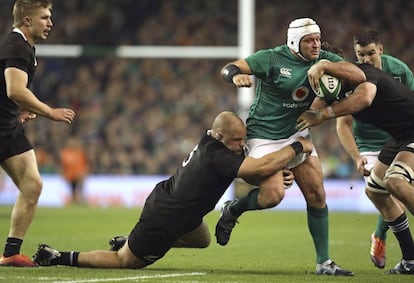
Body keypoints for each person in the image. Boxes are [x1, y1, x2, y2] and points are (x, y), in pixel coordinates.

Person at [32, 111, 312, 269]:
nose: (242, 145)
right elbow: (255, 170)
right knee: (125, 261)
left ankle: (132, 240)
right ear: (219, 135)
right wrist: (298, 147)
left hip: (182, 212)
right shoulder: (218, 154)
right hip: (167, 215)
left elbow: (248, 171)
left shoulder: (214, 143)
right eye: (237, 140)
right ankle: (59, 256)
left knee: (202, 240)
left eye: (242, 140)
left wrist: (275, 173)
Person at [216, 18, 355, 276]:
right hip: (263, 136)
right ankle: (232, 209)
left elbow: (358, 76)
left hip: (297, 135)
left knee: (317, 196)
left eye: (317, 39)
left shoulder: (324, 58)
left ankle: (324, 263)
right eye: (309, 41)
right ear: (294, 42)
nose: (315, 45)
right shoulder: (271, 59)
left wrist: (327, 68)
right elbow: (229, 68)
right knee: (273, 196)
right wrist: (237, 77)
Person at [296, 59, 414, 275]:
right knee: (376, 191)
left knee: (395, 182)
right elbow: (309, 114)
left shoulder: (367, 73)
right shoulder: (332, 91)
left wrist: (323, 114)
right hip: (400, 136)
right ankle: (410, 260)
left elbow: (365, 97)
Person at [0, 0, 75, 267]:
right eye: (44, 17)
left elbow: (9, 93)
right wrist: (49, 112)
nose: (50, 22)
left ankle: (10, 254)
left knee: (33, 185)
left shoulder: (24, 46)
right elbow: (15, 90)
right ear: (27, 21)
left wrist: (18, 110)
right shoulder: (16, 46)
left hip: (8, 127)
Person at [335, 28, 414, 269]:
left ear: (380, 49)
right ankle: (406, 256)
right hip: (372, 142)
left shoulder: (399, 70)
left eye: (370, 53)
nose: (366, 60)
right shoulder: (352, 75)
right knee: (377, 190)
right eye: (361, 55)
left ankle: (384, 237)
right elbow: (343, 123)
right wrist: (356, 156)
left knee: (396, 184)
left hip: (404, 134)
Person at [60, 137, 89, 205]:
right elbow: (63, 165)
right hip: (70, 176)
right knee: (72, 190)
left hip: (79, 175)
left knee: (80, 189)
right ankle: (74, 202)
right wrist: (63, 174)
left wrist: (83, 174)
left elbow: (84, 164)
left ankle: (81, 201)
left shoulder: (80, 152)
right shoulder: (65, 153)